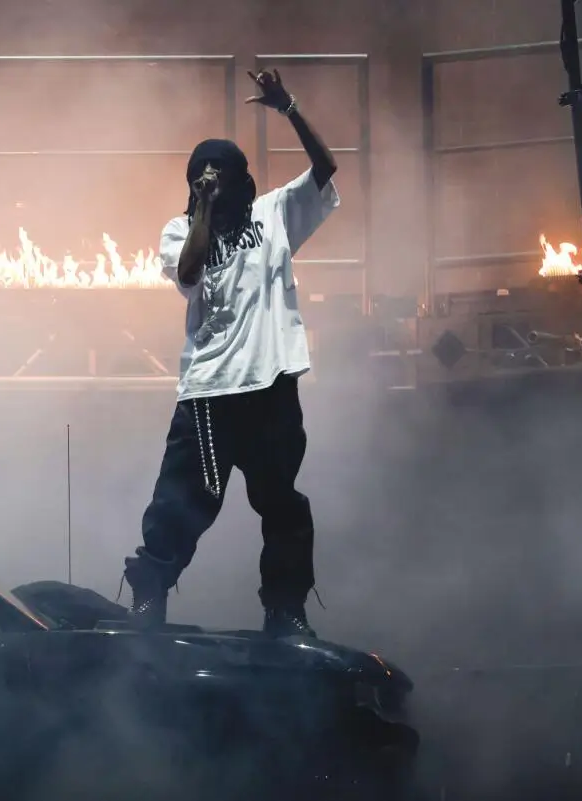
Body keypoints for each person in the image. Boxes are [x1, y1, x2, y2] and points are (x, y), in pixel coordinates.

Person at [121, 68, 339, 638]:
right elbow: (189, 271)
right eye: (199, 176)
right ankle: (149, 602)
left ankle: (285, 612)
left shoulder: (273, 215)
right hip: (209, 395)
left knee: (281, 505)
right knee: (180, 504)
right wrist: (202, 206)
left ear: (244, 179)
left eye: (219, 175)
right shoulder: (179, 230)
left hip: (269, 389)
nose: (210, 181)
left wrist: (290, 106)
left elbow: (325, 169)